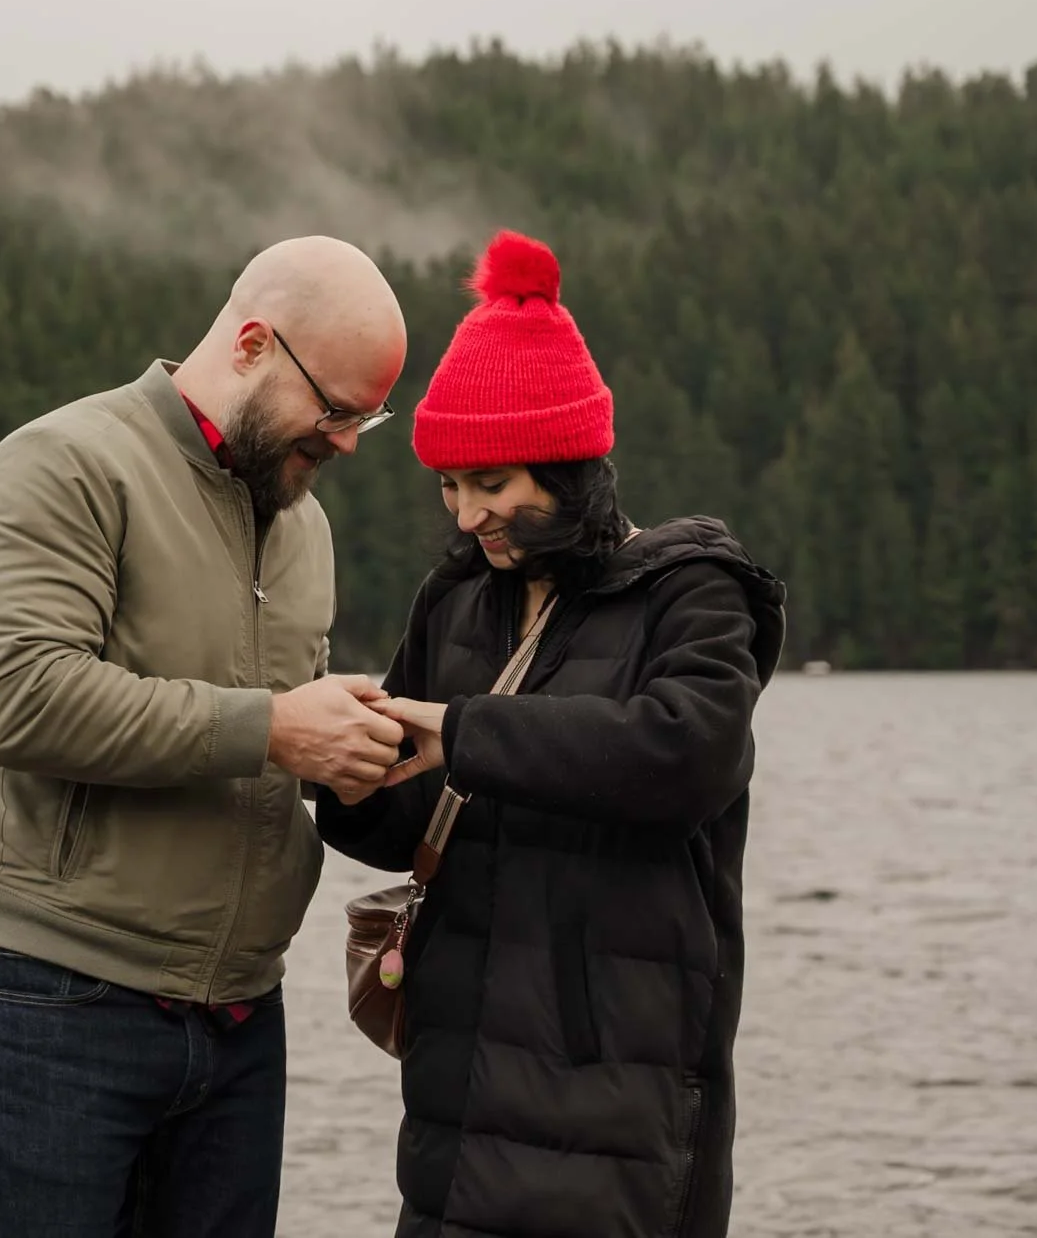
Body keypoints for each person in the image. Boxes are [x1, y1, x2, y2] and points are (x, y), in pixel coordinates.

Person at [317, 229, 788, 1238]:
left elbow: (686, 754)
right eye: (450, 485)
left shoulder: (694, 592)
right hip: (454, 1095)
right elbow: (408, 819)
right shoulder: (454, 598)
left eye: (492, 483)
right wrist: (345, 771)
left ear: (570, 464)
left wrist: (463, 730)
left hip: (616, 1098)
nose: (468, 514)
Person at [0, 235, 409, 1235]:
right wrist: (275, 727)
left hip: (242, 1014)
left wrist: (355, 748)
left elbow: (277, 729)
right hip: (56, 998)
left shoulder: (303, 522)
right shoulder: (62, 464)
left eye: (365, 418)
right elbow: (17, 695)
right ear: (252, 343)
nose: (346, 444)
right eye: (335, 410)